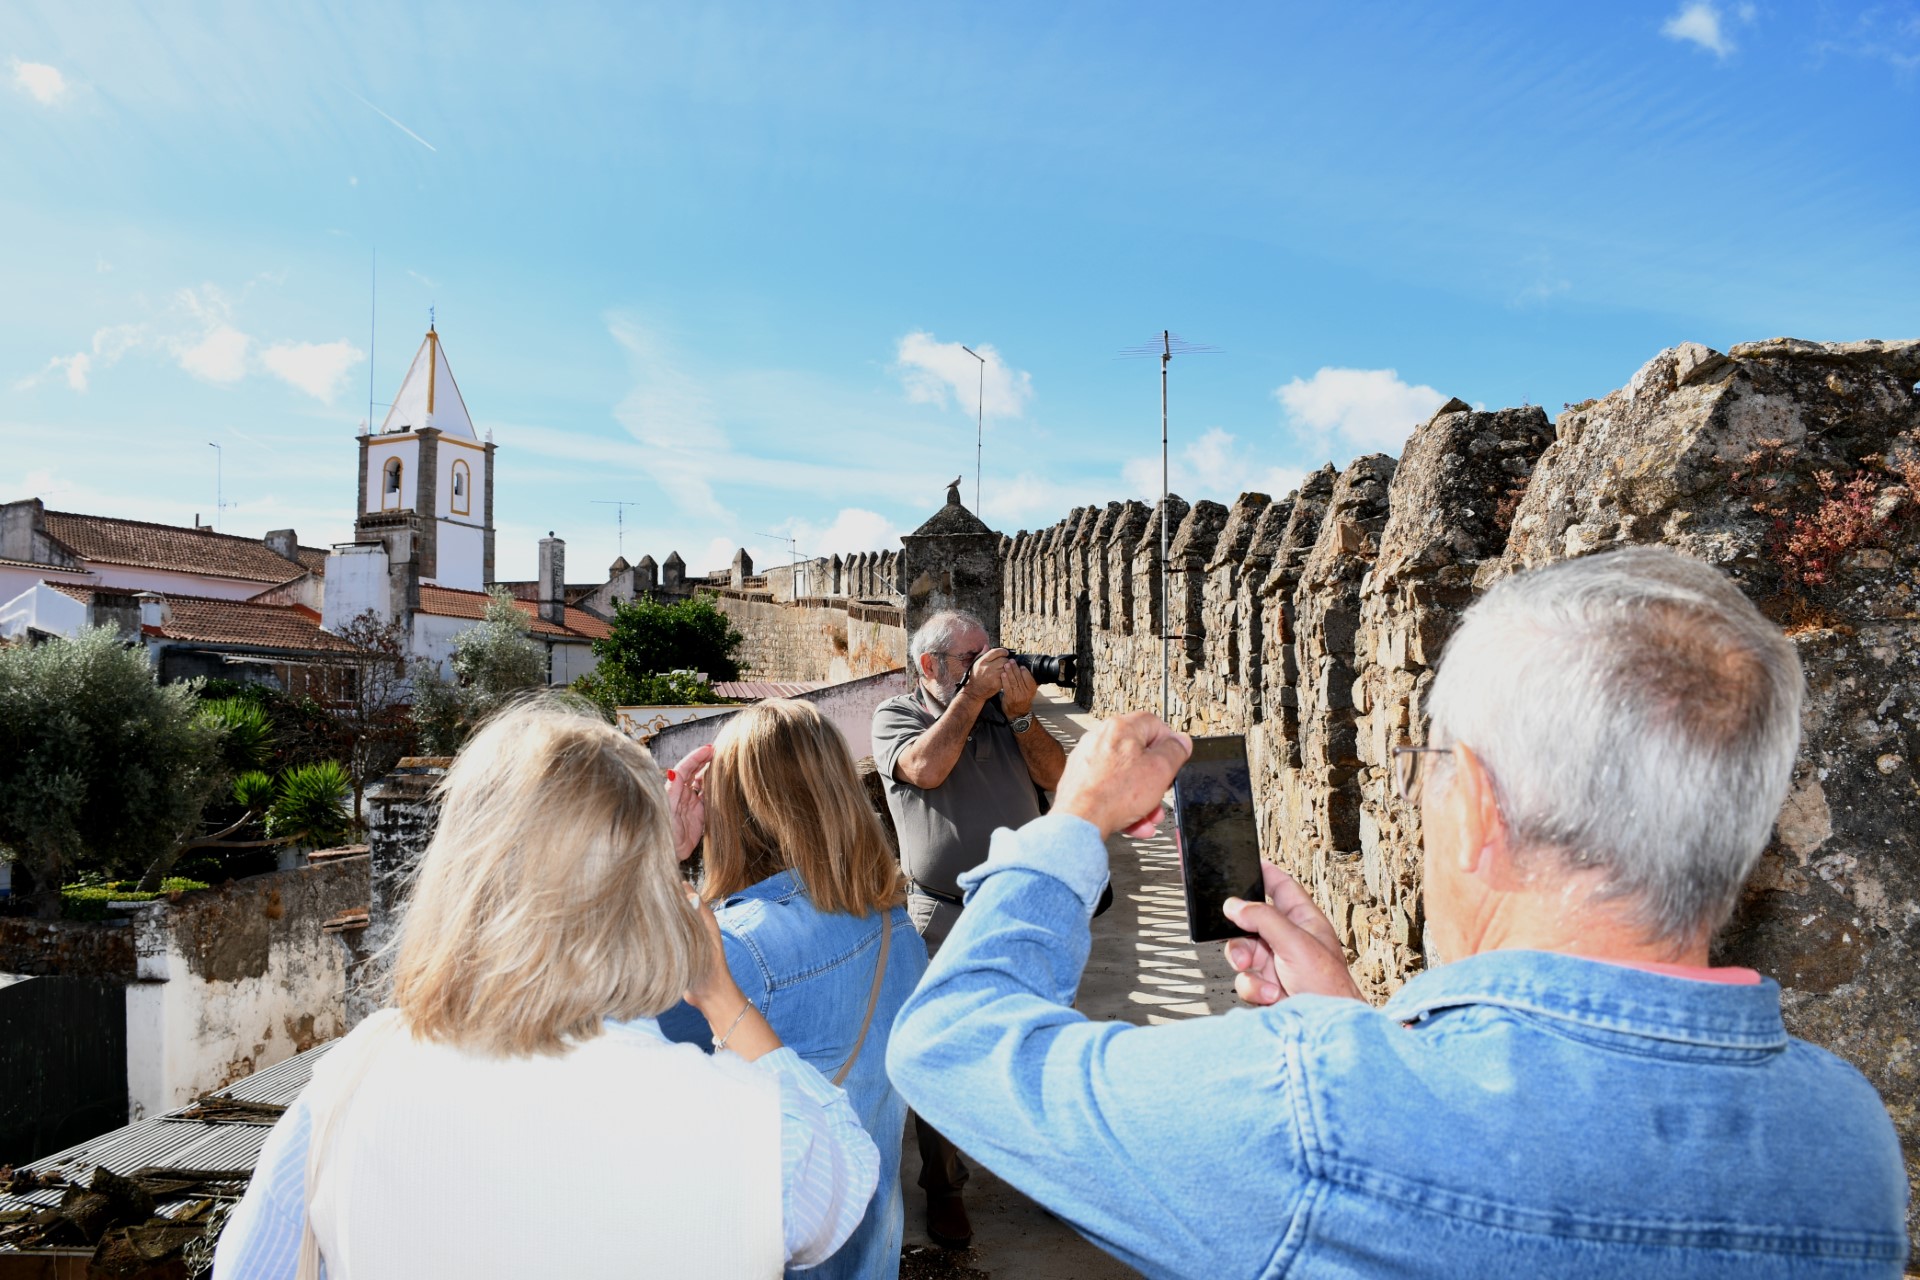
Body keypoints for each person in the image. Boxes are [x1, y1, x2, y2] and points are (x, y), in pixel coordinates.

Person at [887, 547, 1910, 1278]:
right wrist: (1354, 1023)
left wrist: (1071, 823)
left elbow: (950, 1042)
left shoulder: (1310, 1108)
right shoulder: (1849, 1139)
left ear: (1473, 804)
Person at [214, 699, 879, 1280]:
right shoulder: (756, 1128)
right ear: (656, 893)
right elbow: (848, 1175)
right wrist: (720, 996)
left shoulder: (346, 1088)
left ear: (460, 874)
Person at [656, 699, 929, 1280]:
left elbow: (601, 1039)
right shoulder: (897, 928)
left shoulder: (735, 952)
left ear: (731, 809)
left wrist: (658, 855)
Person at [869, 608, 1067, 1249]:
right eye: (972, 658)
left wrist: (1021, 714)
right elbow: (926, 770)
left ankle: (1048, 1175)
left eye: (995, 654)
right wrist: (971, 699)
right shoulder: (896, 717)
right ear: (931, 666)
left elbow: (1056, 777)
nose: (993, 666)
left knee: (1038, 1042)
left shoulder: (1006, 718)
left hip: (1020, 907)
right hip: (942, 913)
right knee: (945, 1050)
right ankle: (945, 1187)